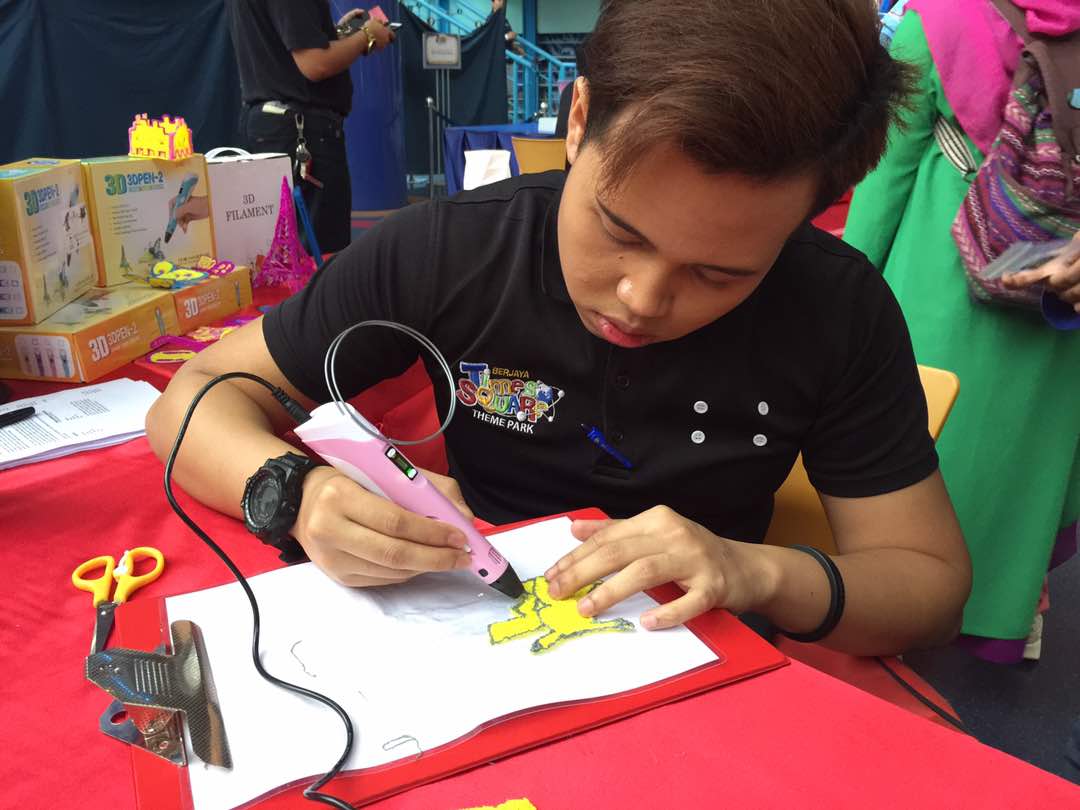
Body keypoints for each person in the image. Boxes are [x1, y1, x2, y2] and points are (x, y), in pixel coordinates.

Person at [147, 0, 971, 657]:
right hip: (465, 639)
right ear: (578, 119)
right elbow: (193, 397)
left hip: (701, 671)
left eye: (720, 274)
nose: (641, 300)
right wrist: (295, 493)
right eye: (619, 230)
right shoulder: (448, 252)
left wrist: (752, 570)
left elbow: (930, 588)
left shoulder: (834, 306)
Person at [842, 0, 1080, 663]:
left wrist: (843, 291)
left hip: (942, 271)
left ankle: (897, 610)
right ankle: (1012, 607)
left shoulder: (940, 20)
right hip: (1060, 284)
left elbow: (885, 175)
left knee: (920, 447)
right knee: (1023, 458)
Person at [224, 0, 395, 253]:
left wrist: (336, 35)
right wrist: (366, 35)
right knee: (320, 256)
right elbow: (316, 63)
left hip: (275, 128)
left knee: (284, 254)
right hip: (303, 133)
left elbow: (282, 50)